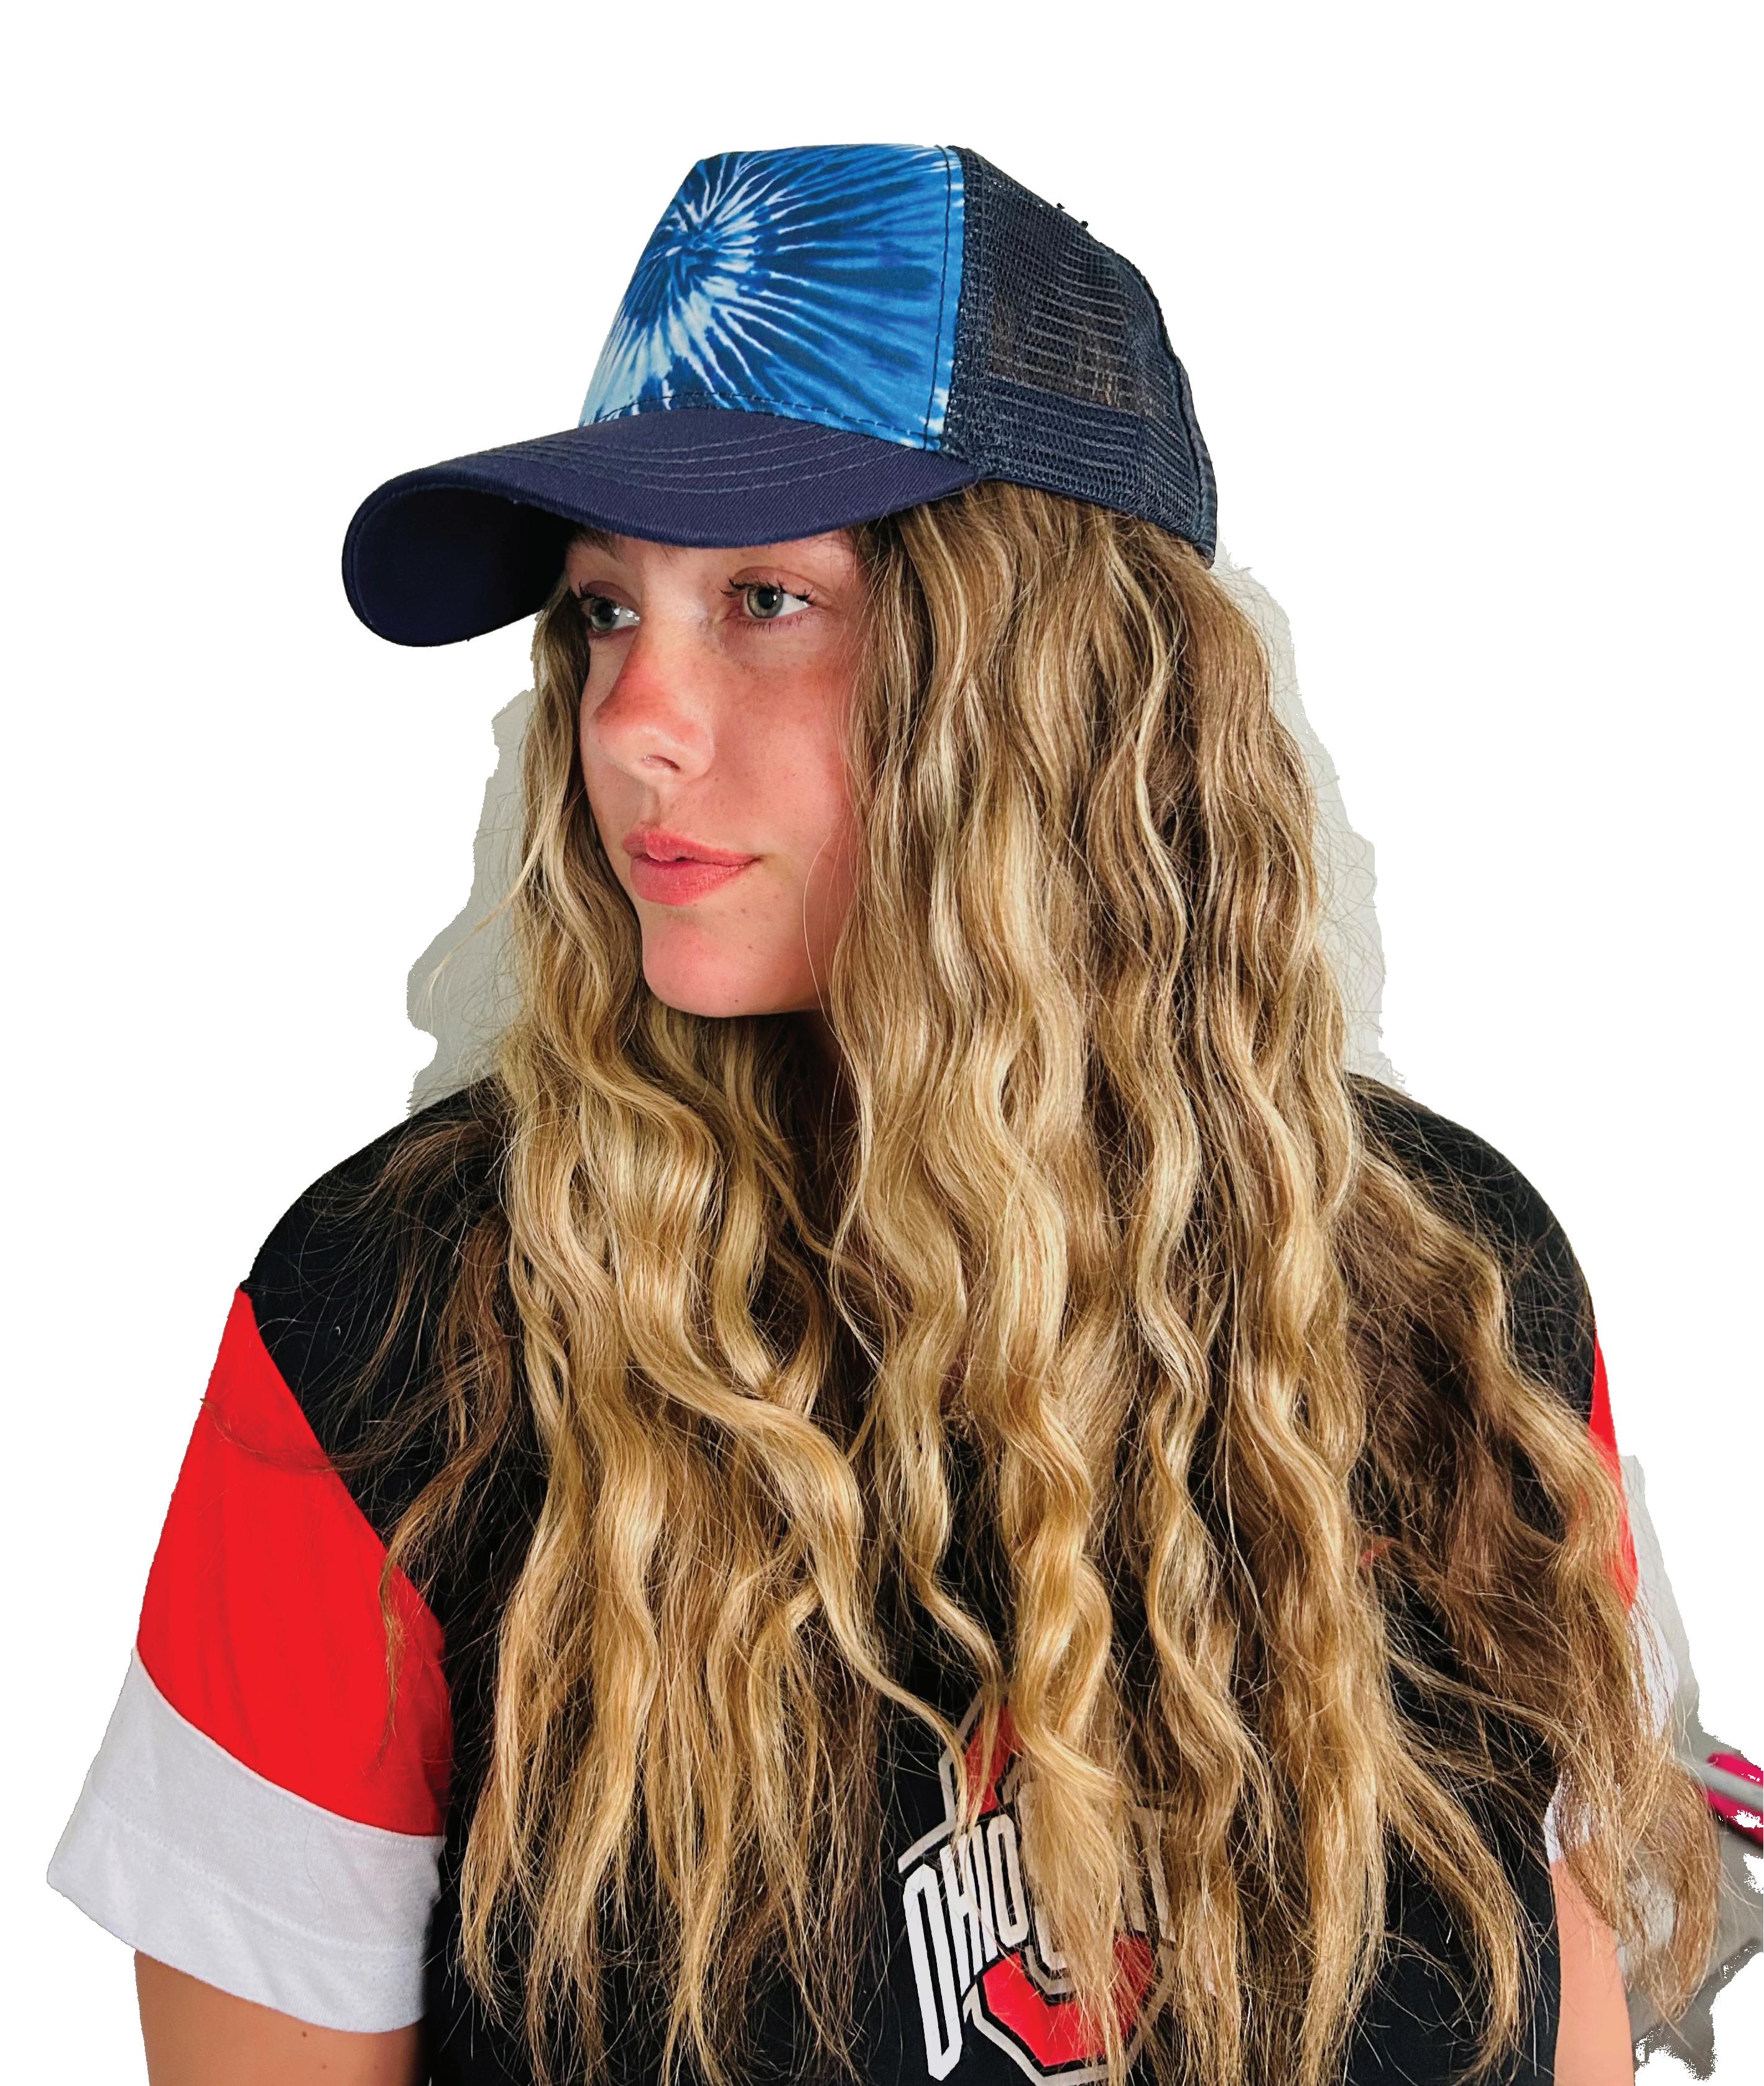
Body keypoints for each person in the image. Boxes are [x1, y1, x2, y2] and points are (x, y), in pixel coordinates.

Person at [48, 143, 1720, 2086]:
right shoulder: (387, 1340)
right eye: (605, 611)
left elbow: (1576, 2004)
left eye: (765, 597)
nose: (633, 717)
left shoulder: (1463, 1295)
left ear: (1065, 685)